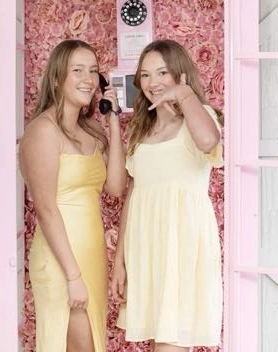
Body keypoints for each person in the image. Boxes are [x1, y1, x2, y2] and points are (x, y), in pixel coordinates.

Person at [111, 39, 222, 351]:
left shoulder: (199, 118)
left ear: (179, 74)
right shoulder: (140, 132)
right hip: (146, 247)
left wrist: (184, 95)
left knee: (170, 344)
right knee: (159, 342)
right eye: (145, 75)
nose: (153, 83)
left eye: (162, 73)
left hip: (182, 245)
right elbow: (133, 195)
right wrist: (120, 260)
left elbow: (207, 140)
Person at [19, 39, 126, 352]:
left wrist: (114, 120)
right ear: (56, 78)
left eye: (93, 71)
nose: (88, 79)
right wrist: (72, 275)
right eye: (77, 70)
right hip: (61, 260)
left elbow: (116, 187)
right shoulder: (42, 131)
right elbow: (46, 209)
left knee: (90, 344)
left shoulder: (92, 130)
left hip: (90, 255)